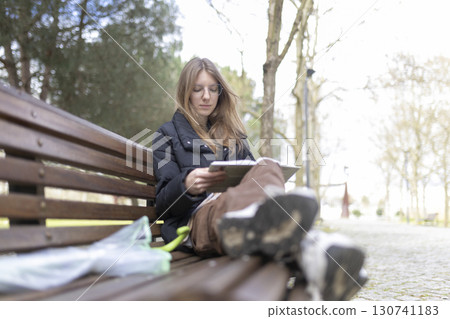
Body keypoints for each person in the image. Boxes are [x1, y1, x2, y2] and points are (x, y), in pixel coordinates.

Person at [152, 57, 367, 300]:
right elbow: (162, 204)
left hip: (240, 206)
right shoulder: (165, 136)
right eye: (197, 89)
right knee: (234, 204)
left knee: (267, 165)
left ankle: (261, 221)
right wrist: (186, 184)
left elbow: (253, 175)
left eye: (213, 89)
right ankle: (309, 244)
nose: (206, 96)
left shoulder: (233, 137)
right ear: (185, 92)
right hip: (199, 219)